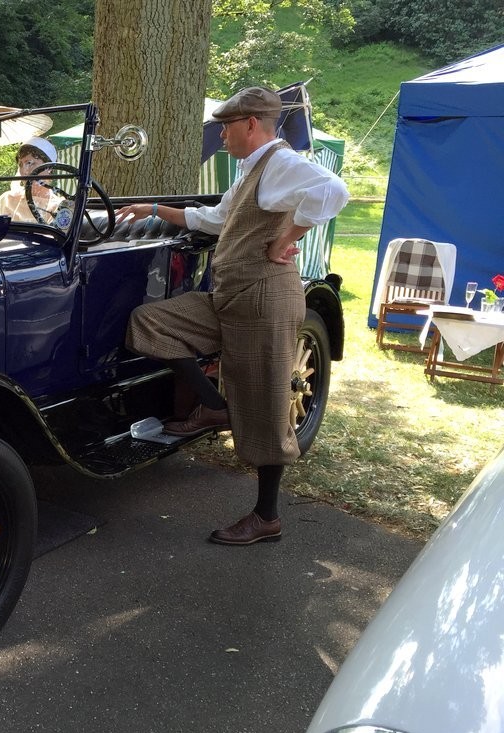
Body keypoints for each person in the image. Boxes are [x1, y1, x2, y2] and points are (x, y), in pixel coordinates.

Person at [117, 86, 348, 546]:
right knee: (150, 323)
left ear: (250, 125)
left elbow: (334, 190)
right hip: (229, 295)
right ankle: (217, 407)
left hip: (265, 297)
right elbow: (216, 219)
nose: (221, 134)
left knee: (264, 407)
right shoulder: (251, 169)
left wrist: (287, 237)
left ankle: (266, 516)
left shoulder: (280, 163)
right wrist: (152, 209)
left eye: (226, 126)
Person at [0, 137, 62, 222]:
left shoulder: (58, 207)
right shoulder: (6, 200)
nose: (24, 171)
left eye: (30, 163)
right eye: (20, 164)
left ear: (49, 167)